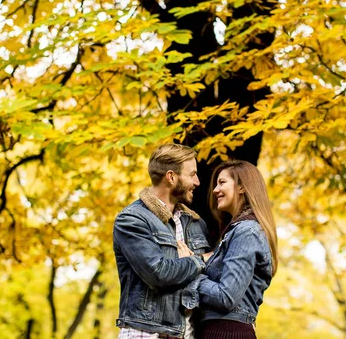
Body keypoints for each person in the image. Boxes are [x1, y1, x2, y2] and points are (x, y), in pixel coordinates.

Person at [114, 144, 211, 338]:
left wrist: (186, 265)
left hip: (188, 333)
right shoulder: (132, 220)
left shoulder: (195, 223)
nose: (198, 182)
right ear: (171, 177)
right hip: (146, 333)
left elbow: (209, 278)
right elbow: (159, 274)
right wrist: (200, 260)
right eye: (192, 174)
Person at [181, 159, 278, 339]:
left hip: (226, 332)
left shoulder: (246, 231)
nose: (215, 190)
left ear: (242, 187)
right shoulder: (236, 231)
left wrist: (190, 272)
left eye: (222, 182)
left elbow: (226, 296)